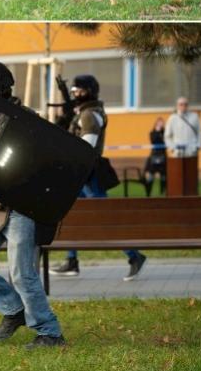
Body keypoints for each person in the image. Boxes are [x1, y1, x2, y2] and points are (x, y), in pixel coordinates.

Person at [0, 61, 66, 348]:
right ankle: (13, 310)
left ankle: (50, 332)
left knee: (21, 273)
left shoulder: (27, 120)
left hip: (21, 205)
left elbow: (45, 165)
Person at [49, 75, 146, 280]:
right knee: (74, 216)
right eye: (74, 91)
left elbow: (86, 147)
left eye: (80, 91)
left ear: (90, 92)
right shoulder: (85, 113)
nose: (76, 95)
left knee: (104, 218)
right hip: (81, 174)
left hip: (87, 174)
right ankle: (72, 261)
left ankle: (134, 255)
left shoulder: (89, 115)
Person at [144, 116, 168, 196]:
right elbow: (153, 141)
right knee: (150, 176)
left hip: (163, 157)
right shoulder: (152, 133)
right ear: (156, 124)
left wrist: (161, 132)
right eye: (158, 123)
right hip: (154, 157)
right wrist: (157, 132)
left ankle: (163, 192)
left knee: (164, 177)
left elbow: (165, 141)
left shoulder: (165, 132)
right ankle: (148, 194)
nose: (160, 124)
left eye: (161, 123)